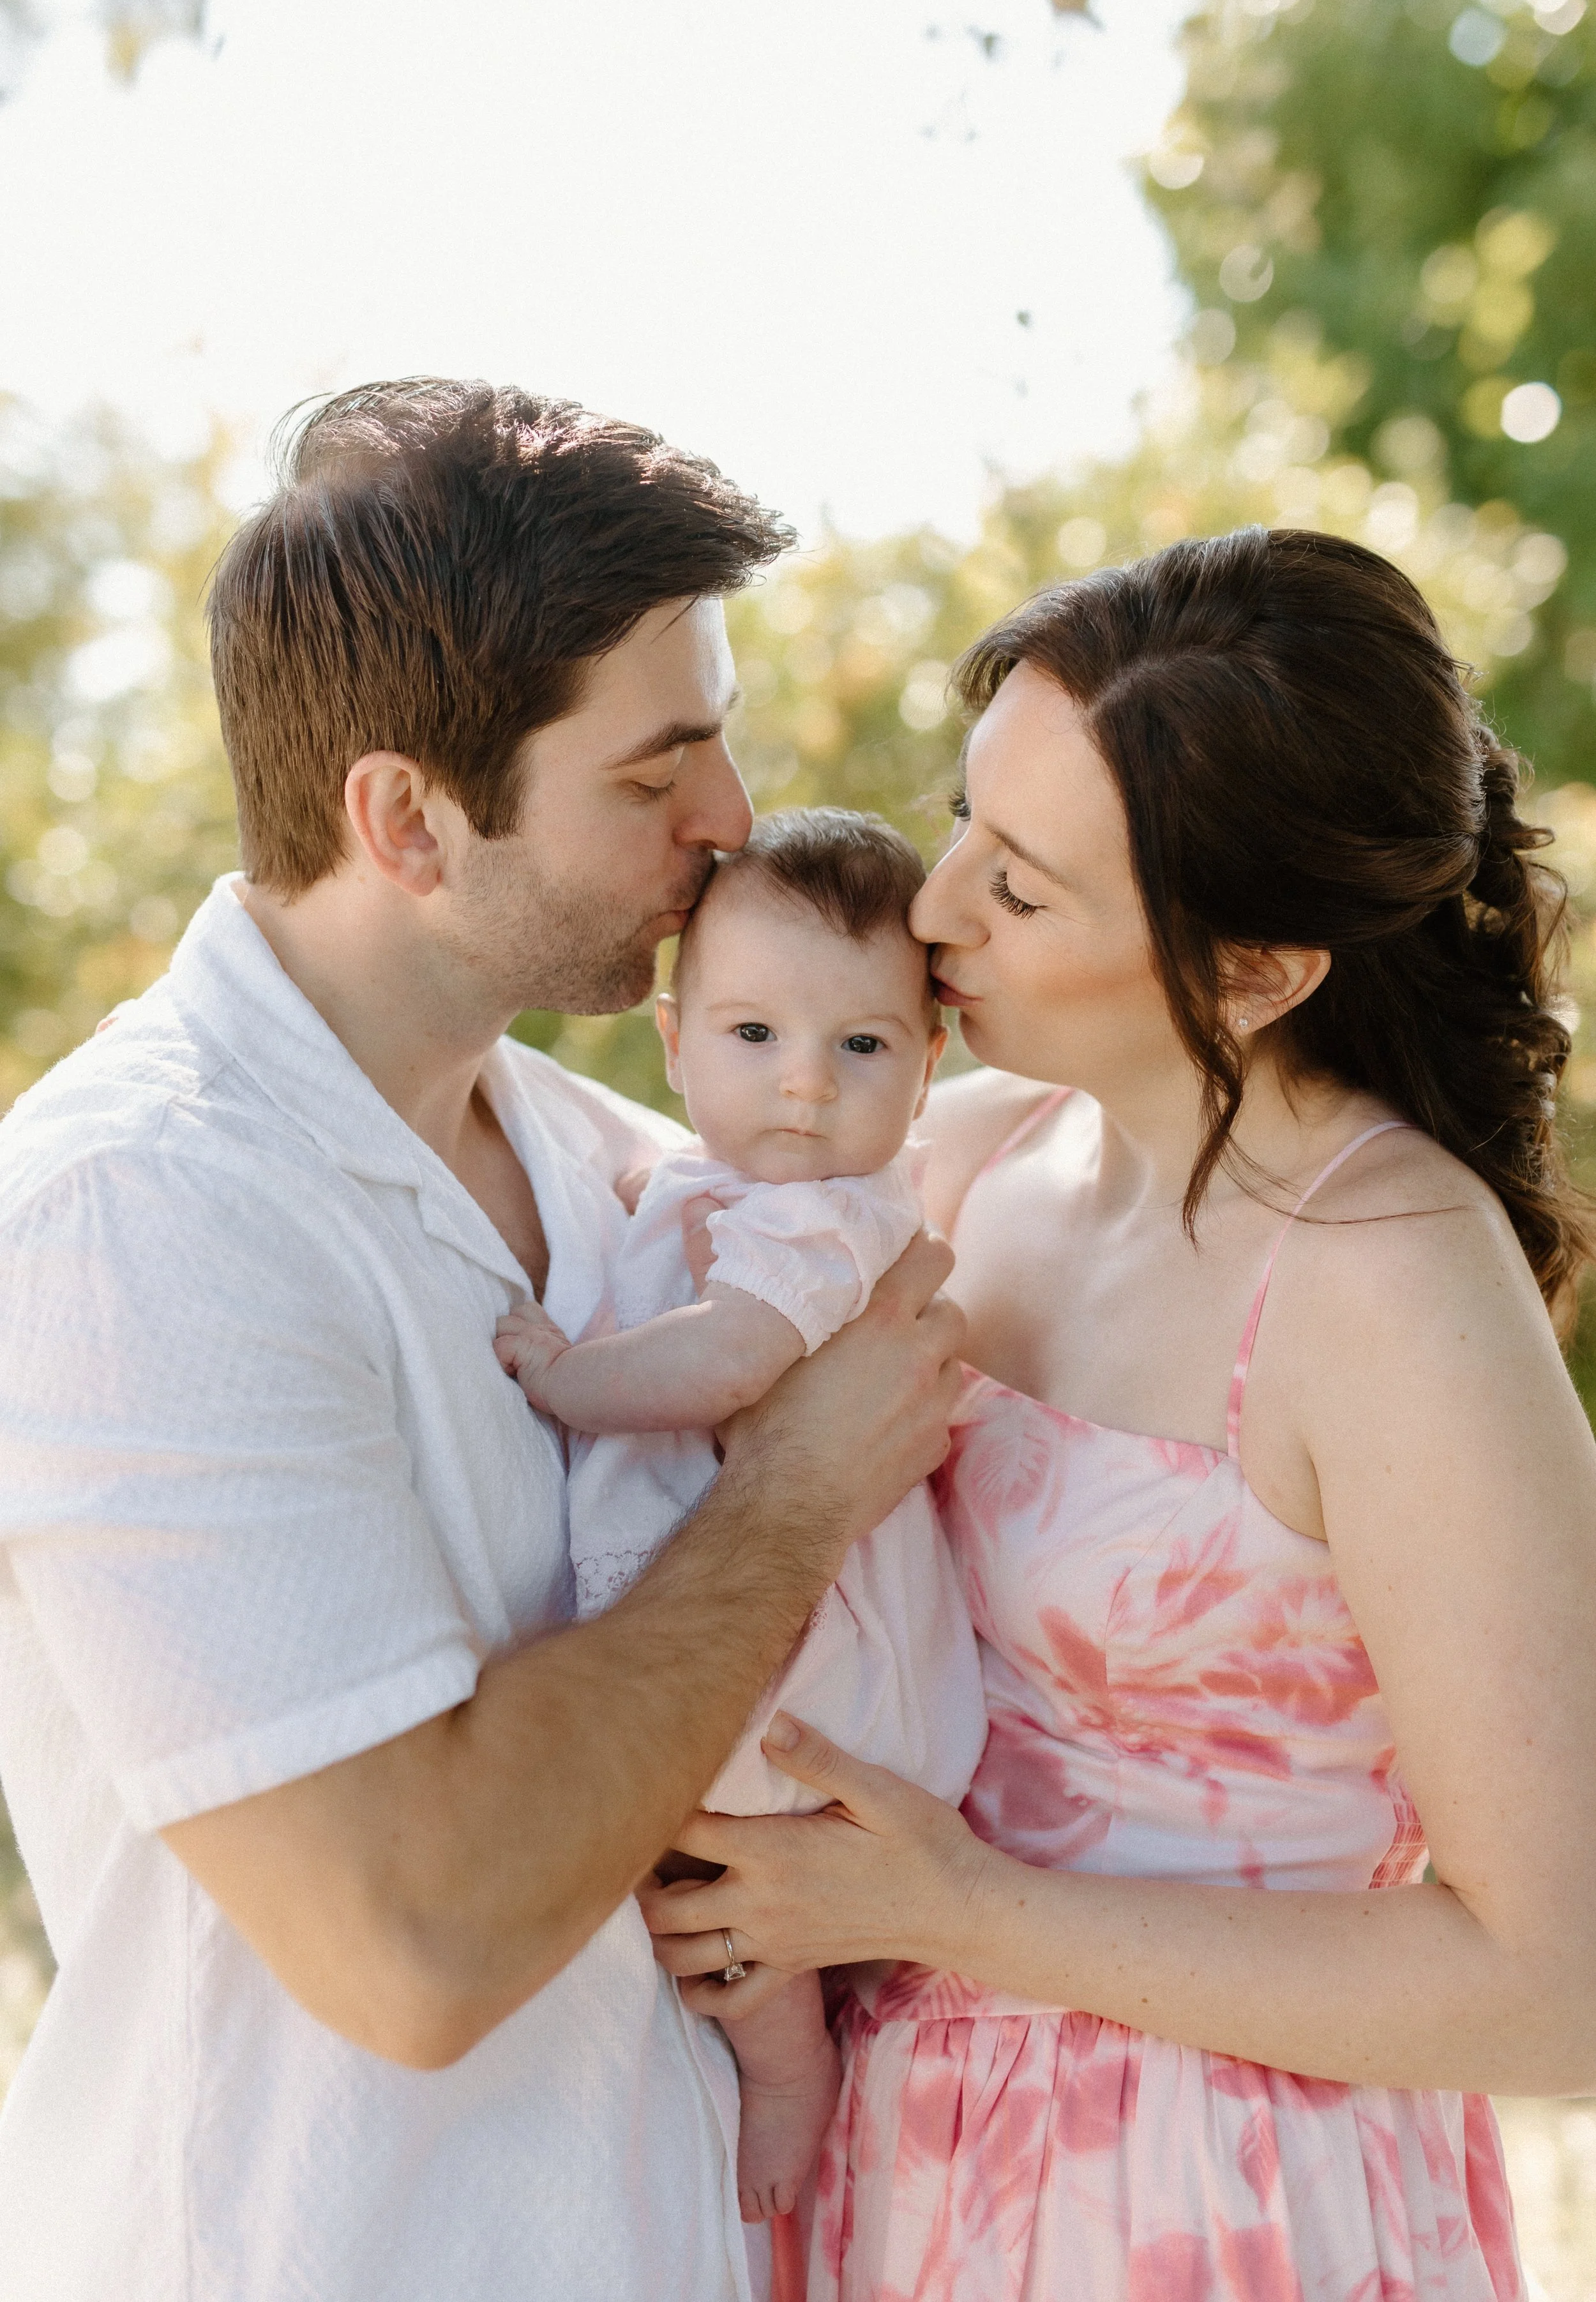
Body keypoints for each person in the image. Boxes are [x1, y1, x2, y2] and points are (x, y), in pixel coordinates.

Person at [0, 380, 965, 2302]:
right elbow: (416, 1935)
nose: (732, 823)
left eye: (722, 742)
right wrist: (793, 1492)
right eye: (652, 771)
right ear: (406, 816)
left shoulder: (628, 1163)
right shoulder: (140, 1213)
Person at [644, 527, 1596, 2301]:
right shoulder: (965, 1156)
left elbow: (1562, 1985)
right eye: (964, 822)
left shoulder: (1387, 1279)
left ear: (1254, 968)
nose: (929, 912)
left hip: (1215, 2197)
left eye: (1020, 888)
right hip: (900, 2155)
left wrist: (954, 1911)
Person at [495, 806, 986, 2227]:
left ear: (927, 1062)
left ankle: (787, 2068)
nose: (805, 1091)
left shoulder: (833, 1218)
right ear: (671, 1042)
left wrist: (563, 1377)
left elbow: (723, 1362)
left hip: (803, 1664)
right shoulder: (696, 1183)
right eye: (753, 1036)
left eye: (861, 1046)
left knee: (701, 1850)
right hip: (757, 1614)